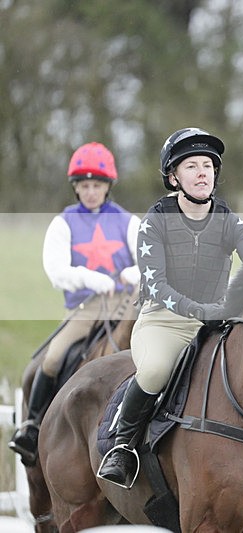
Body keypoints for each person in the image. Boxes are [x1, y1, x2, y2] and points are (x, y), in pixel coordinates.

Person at [97, 127, 243, 488]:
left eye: (208, 166)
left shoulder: (232, 221)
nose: (202, 173)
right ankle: (122, 446)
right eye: (192, 166)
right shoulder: (154, 221)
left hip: (218, 323)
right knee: (155, 370)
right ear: (173, 177)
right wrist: (202, 311)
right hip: (164, 322)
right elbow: (156, 285)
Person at [8, 142, 141, 466]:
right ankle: (32, 427)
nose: (91, 191)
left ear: (108, 186)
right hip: (87, 306)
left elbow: (149, 261)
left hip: (129, 302)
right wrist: (90, 278)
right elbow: (56, 271)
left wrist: (130, 273)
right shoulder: (63, 223)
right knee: (53, 357)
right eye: (84, 185)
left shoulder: (129, 222)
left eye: (97, 185)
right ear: (76, 187)